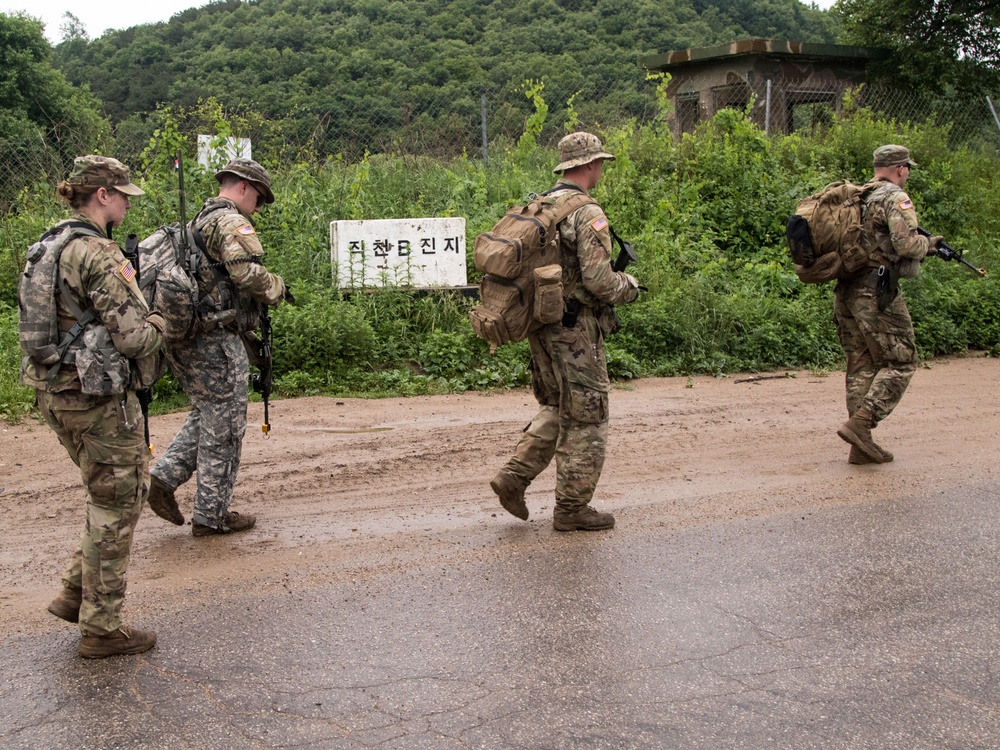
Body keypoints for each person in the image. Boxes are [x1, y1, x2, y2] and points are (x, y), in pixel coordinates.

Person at [20, 156, 165, 658]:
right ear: (101, 195)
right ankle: (101, 628)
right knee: (119, 499)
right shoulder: (98, 253)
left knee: (107, 492)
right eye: (123, 193)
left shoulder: (48, 243)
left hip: (53, 392)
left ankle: (74, 593)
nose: (127, 202)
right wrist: (162, 322)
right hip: (96, 396)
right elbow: (132, 338)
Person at [490, 132, 640, 531]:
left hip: (540, 323)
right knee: (588, 415)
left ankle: (513, 477)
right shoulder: (586, 210)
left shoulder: (543, 203)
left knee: (558, 407)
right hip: (574, 330)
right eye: (600, 163)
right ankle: (572, 508)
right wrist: (631, 287)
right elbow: (599, 281)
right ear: (590, 165)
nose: (601, 170)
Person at [145, 158, 287, 535]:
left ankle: (163, 478)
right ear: (242, 186)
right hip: (213, 336)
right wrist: (275, 285)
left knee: (210, 412)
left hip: (185, 333)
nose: (258, 208)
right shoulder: (229, 221)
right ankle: (211, 516)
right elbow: (244, 273)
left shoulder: (198, 221)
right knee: (225, 424)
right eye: (258, 198)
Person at [835, 144, 941, 464]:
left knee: (861, 363)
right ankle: (862, 423)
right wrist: (928, 244)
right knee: (902, 360)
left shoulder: (859, 196)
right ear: (900, 169)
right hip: (875, 290)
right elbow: (906, 244)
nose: (907, 172)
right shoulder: (895, 197)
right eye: (907, 167)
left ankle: (860, 446)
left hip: (846, 291)